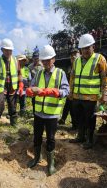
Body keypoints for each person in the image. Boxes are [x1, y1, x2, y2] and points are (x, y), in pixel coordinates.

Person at [26, 45, 69, 175]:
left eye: (48, 60)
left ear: (54, 59)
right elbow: (31, 87)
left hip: (51, 114)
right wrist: (30, 91)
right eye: (43, 60)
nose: (45, 63)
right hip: (39, 113)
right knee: (37, 137)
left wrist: (53, 92)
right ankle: (37, 157)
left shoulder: (60, 73)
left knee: (50, 139)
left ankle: (51, 164)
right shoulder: (38, 73)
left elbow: (66, 91)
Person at [69, 34, 107, 149]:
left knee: (90, 120)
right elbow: (72, 77)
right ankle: (80, 136)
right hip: (77, 96)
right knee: (79, 118)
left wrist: (105, 93)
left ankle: (90, 140)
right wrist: (71, 92)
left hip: (91, 97)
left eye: (88, 48)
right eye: (83, 48)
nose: (85, 50)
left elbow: (105, 77)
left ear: (93, 47)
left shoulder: (99, 58)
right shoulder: (76, 61)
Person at [0, 38, 23, 135]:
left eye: (10, 50)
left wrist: (20, 85)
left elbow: (19, 73)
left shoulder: (16, 61)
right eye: (6, 50)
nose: (8, 52)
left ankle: (13, 122)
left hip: (12, 87)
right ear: (2, 50)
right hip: (1, 88)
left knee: (13, 106)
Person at [58, 48, 80, 130]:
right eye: (71, 56)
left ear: (79, 55)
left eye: (75, 54)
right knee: (67, 106)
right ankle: (63, 119)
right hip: (69, 91)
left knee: (73, 109)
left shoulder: (81, 67)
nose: (73, 57)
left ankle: (75, 125)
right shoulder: (70, 67)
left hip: (78, 92)